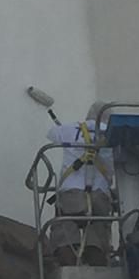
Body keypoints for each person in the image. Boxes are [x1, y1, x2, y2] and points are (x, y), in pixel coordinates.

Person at [47, 101, 114, 266]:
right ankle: (97, 272)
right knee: (97, 237)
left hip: (72, 193)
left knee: (65, 230)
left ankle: (68, 269)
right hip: (100, 195)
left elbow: (51, 133)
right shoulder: (113, 136)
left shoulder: (70, 129)